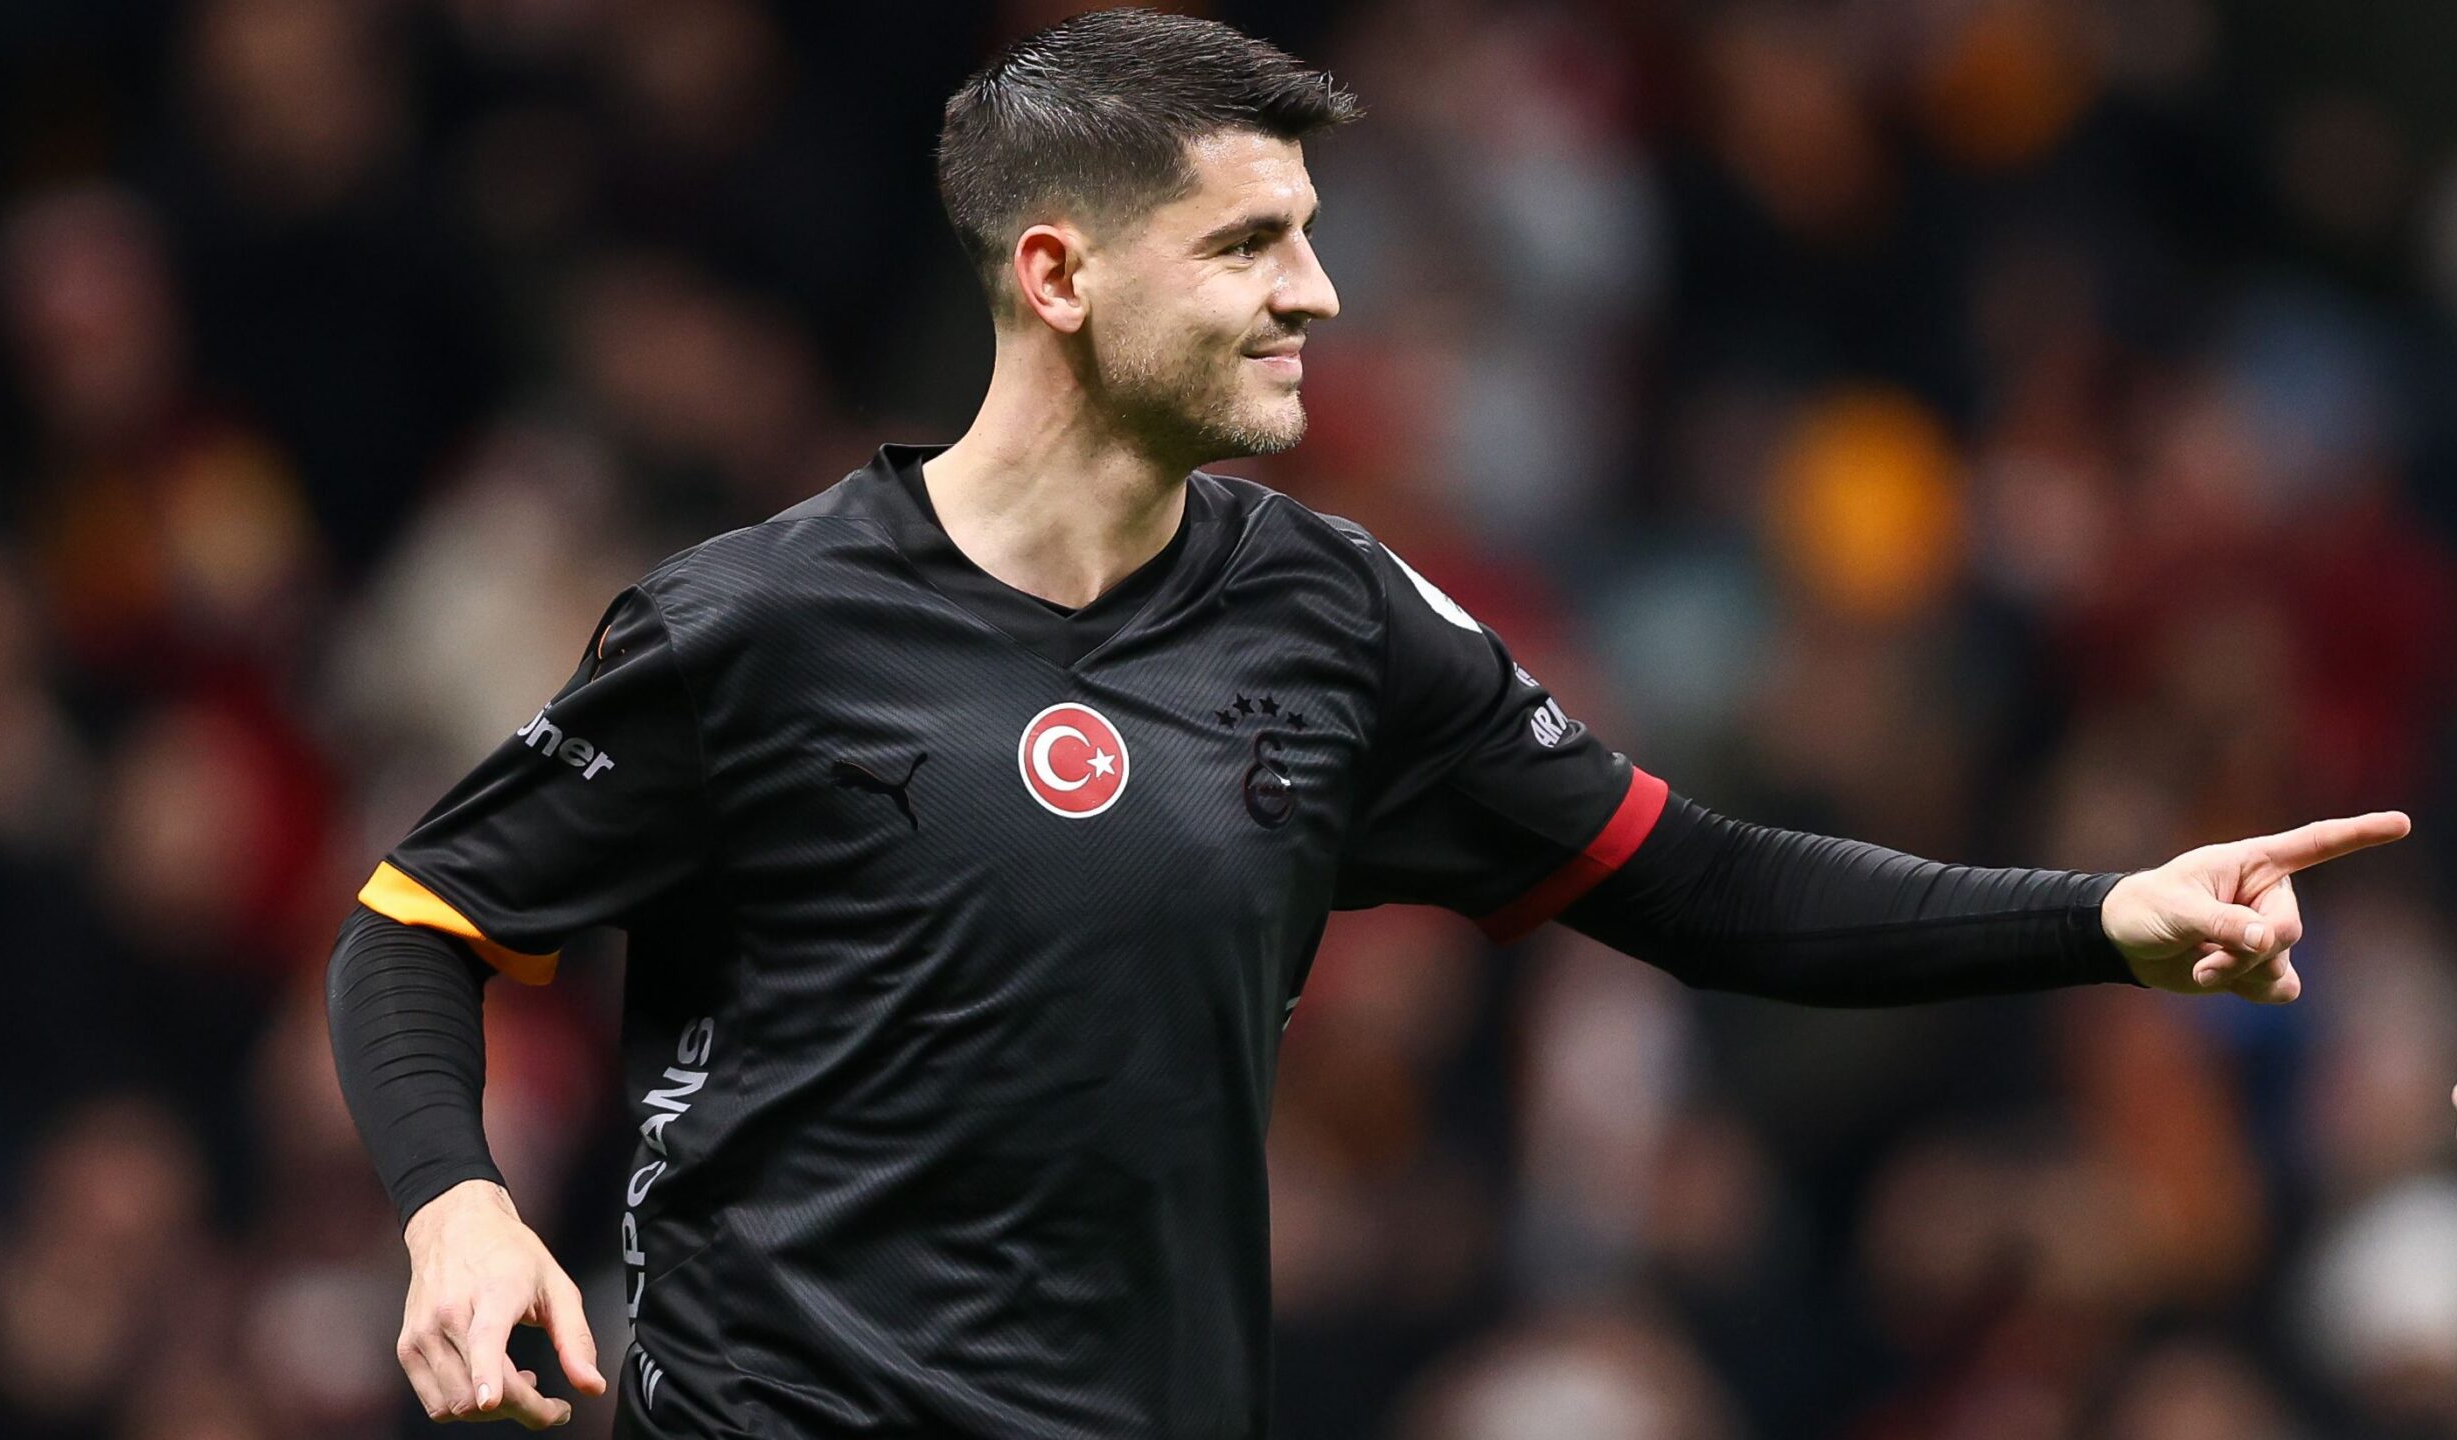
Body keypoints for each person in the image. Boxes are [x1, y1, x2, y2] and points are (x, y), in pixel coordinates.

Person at [323, 10, 2410, 1437]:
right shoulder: (755, 625)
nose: (1316, 294)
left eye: (1310, 236)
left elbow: (1699, 888)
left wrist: (2100, 916)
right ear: (1056, 274)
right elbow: (418, 927)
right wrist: (456, 1204)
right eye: (1248, 244)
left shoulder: (1334, 621)